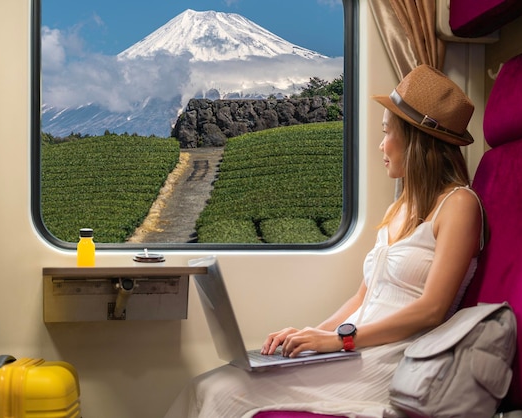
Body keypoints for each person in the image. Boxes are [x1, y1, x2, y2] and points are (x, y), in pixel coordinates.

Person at [164, 64, 485, 418]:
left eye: (386, 133)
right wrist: (310, 334)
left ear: (415, 141)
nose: (380, 144)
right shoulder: (401, 207)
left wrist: (337, 341)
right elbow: (364, 297)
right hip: (356, 346)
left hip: (392, 356)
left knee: (222, 392)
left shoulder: (459, 205)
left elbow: (431, 310)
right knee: (208, 383)